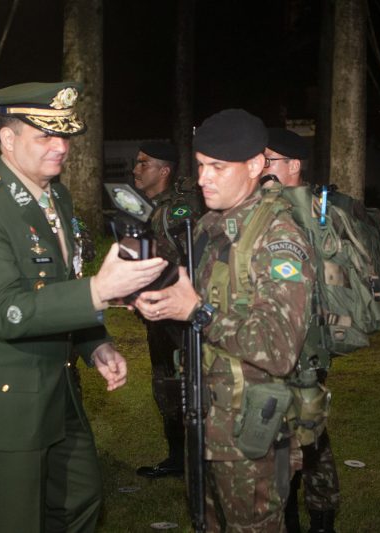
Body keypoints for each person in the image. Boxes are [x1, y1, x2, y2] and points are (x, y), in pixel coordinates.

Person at [0, 81, 168, 532]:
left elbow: (59, 281)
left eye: (64, 136)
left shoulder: (56, 196)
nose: (61, 147)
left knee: (81, 500)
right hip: (8, 401)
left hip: (59, 388)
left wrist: (95, 344)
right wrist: (98, 292)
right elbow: (6, 311)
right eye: (45, 136)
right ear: (8, 139)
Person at [133, 109, 314, 531]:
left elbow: (279, 347)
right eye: (199, 166)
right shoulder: (213, 226)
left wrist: (197, 311)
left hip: (252, 430)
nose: (203, 178)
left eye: (217, 167)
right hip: (208, 417)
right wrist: (162, 300)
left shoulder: (278, 237)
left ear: (254, 166)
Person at [262, 127, 340, 533]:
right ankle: (312, 515)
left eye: (269, 160)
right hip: (291, 342)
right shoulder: (300, 207)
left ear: (293, 166)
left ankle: (311, 516)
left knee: (300, 434)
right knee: (304, 431)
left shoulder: (303, 211)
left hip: (302, 343)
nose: (261, 167)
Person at [131, 140, 204, 479]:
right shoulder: (152, 206)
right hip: (160, 314)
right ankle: (177, 457)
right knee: (165, 383)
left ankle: (198, 459)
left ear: (164, 170)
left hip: (181, 317)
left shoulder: (180, 208)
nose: (135, 169)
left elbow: (188, 261)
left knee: (188, 384)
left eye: (143, 163)